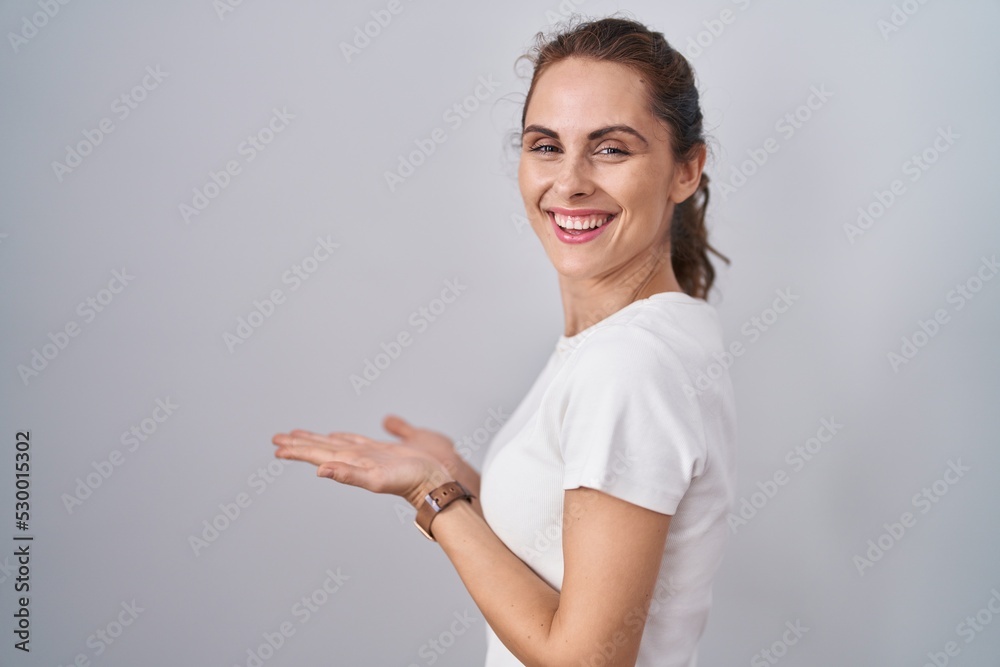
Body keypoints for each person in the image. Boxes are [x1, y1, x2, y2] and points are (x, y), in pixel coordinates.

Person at [272, 15, 737, 667]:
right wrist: (462, 482)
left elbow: (585, 660)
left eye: (611, 148)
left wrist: (432, 497)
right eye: (546, 145)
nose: (569, 181)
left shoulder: (628, 364)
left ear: (685, 170)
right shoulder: (652, 333)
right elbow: (567, 555)